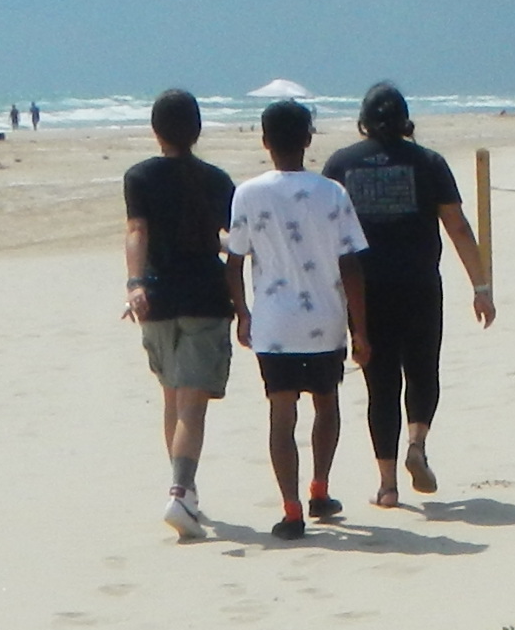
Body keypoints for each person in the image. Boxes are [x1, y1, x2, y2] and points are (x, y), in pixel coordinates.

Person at [322, 81, 494, 505]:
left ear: (364, 120)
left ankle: (387, 485)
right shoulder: (428, 162)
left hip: (364, 289)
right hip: (419, 283)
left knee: (379, 384)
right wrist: (481, 286)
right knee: (421, 370)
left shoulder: (342, 165)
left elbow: (323, 231)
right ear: (405, 120)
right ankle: (416, 445)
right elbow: (457, 226)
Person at [224, 98, 372, 542]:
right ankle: (320, 489)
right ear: (309, 139)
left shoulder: (248, 192)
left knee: (281, 412)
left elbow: (233, 262)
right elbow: (351, 265)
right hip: (325, 318)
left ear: (265, 140)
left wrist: (243, 312)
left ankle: (290, 510)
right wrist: (359, 327)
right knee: (326, 403)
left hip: (274, 322)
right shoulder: (332, 192)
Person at [120, 87, 240, 541]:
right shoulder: (216, 179)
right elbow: (234, 237)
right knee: (192, 403)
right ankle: (181, 489)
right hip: (205, 297)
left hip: (157, 298)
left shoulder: (140, 177)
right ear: (197, 129)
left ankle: (184, 491)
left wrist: (134, 284)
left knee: (172, 396)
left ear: (156, 131)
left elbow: (137, 232)